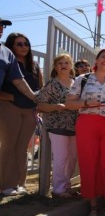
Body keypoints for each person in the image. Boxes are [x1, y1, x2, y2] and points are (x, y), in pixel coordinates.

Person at [65, 49, 105, 216]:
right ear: (96, 60)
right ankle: (92, 206)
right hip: (87, 124)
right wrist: (86, 102)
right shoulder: (82, 79)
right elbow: (69, 103)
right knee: (88, 163)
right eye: (103, 57)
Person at [0, 33, 43, 197]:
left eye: (26, 43)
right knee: (8, 146)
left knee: (23, 147)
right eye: (19, 44)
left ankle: (20, 183)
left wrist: (38, 105)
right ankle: (6, 185)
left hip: (30, 110)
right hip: (9, 107)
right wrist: (12, 97)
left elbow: (40, 88)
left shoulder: (34, 65)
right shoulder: (7, 62)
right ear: (11, 46)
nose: (24, 47)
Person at [35, 54, 79, 198]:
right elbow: (39, 105)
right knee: (61, 157)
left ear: (71, 66)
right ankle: (58, 189)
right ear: (55, 67)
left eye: (66, 62)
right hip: (57, 126)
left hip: (75, 126)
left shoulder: (76, 83)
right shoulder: (52, 84)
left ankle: (66, 186)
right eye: (60, 63)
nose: (63, 65)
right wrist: (55, 106)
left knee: (72, 157)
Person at [0, 18, 36, 100]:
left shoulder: (7, 53)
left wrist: (36, 99)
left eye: (2, 25)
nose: (1, 28)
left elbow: (19, 81)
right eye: (19, 44)